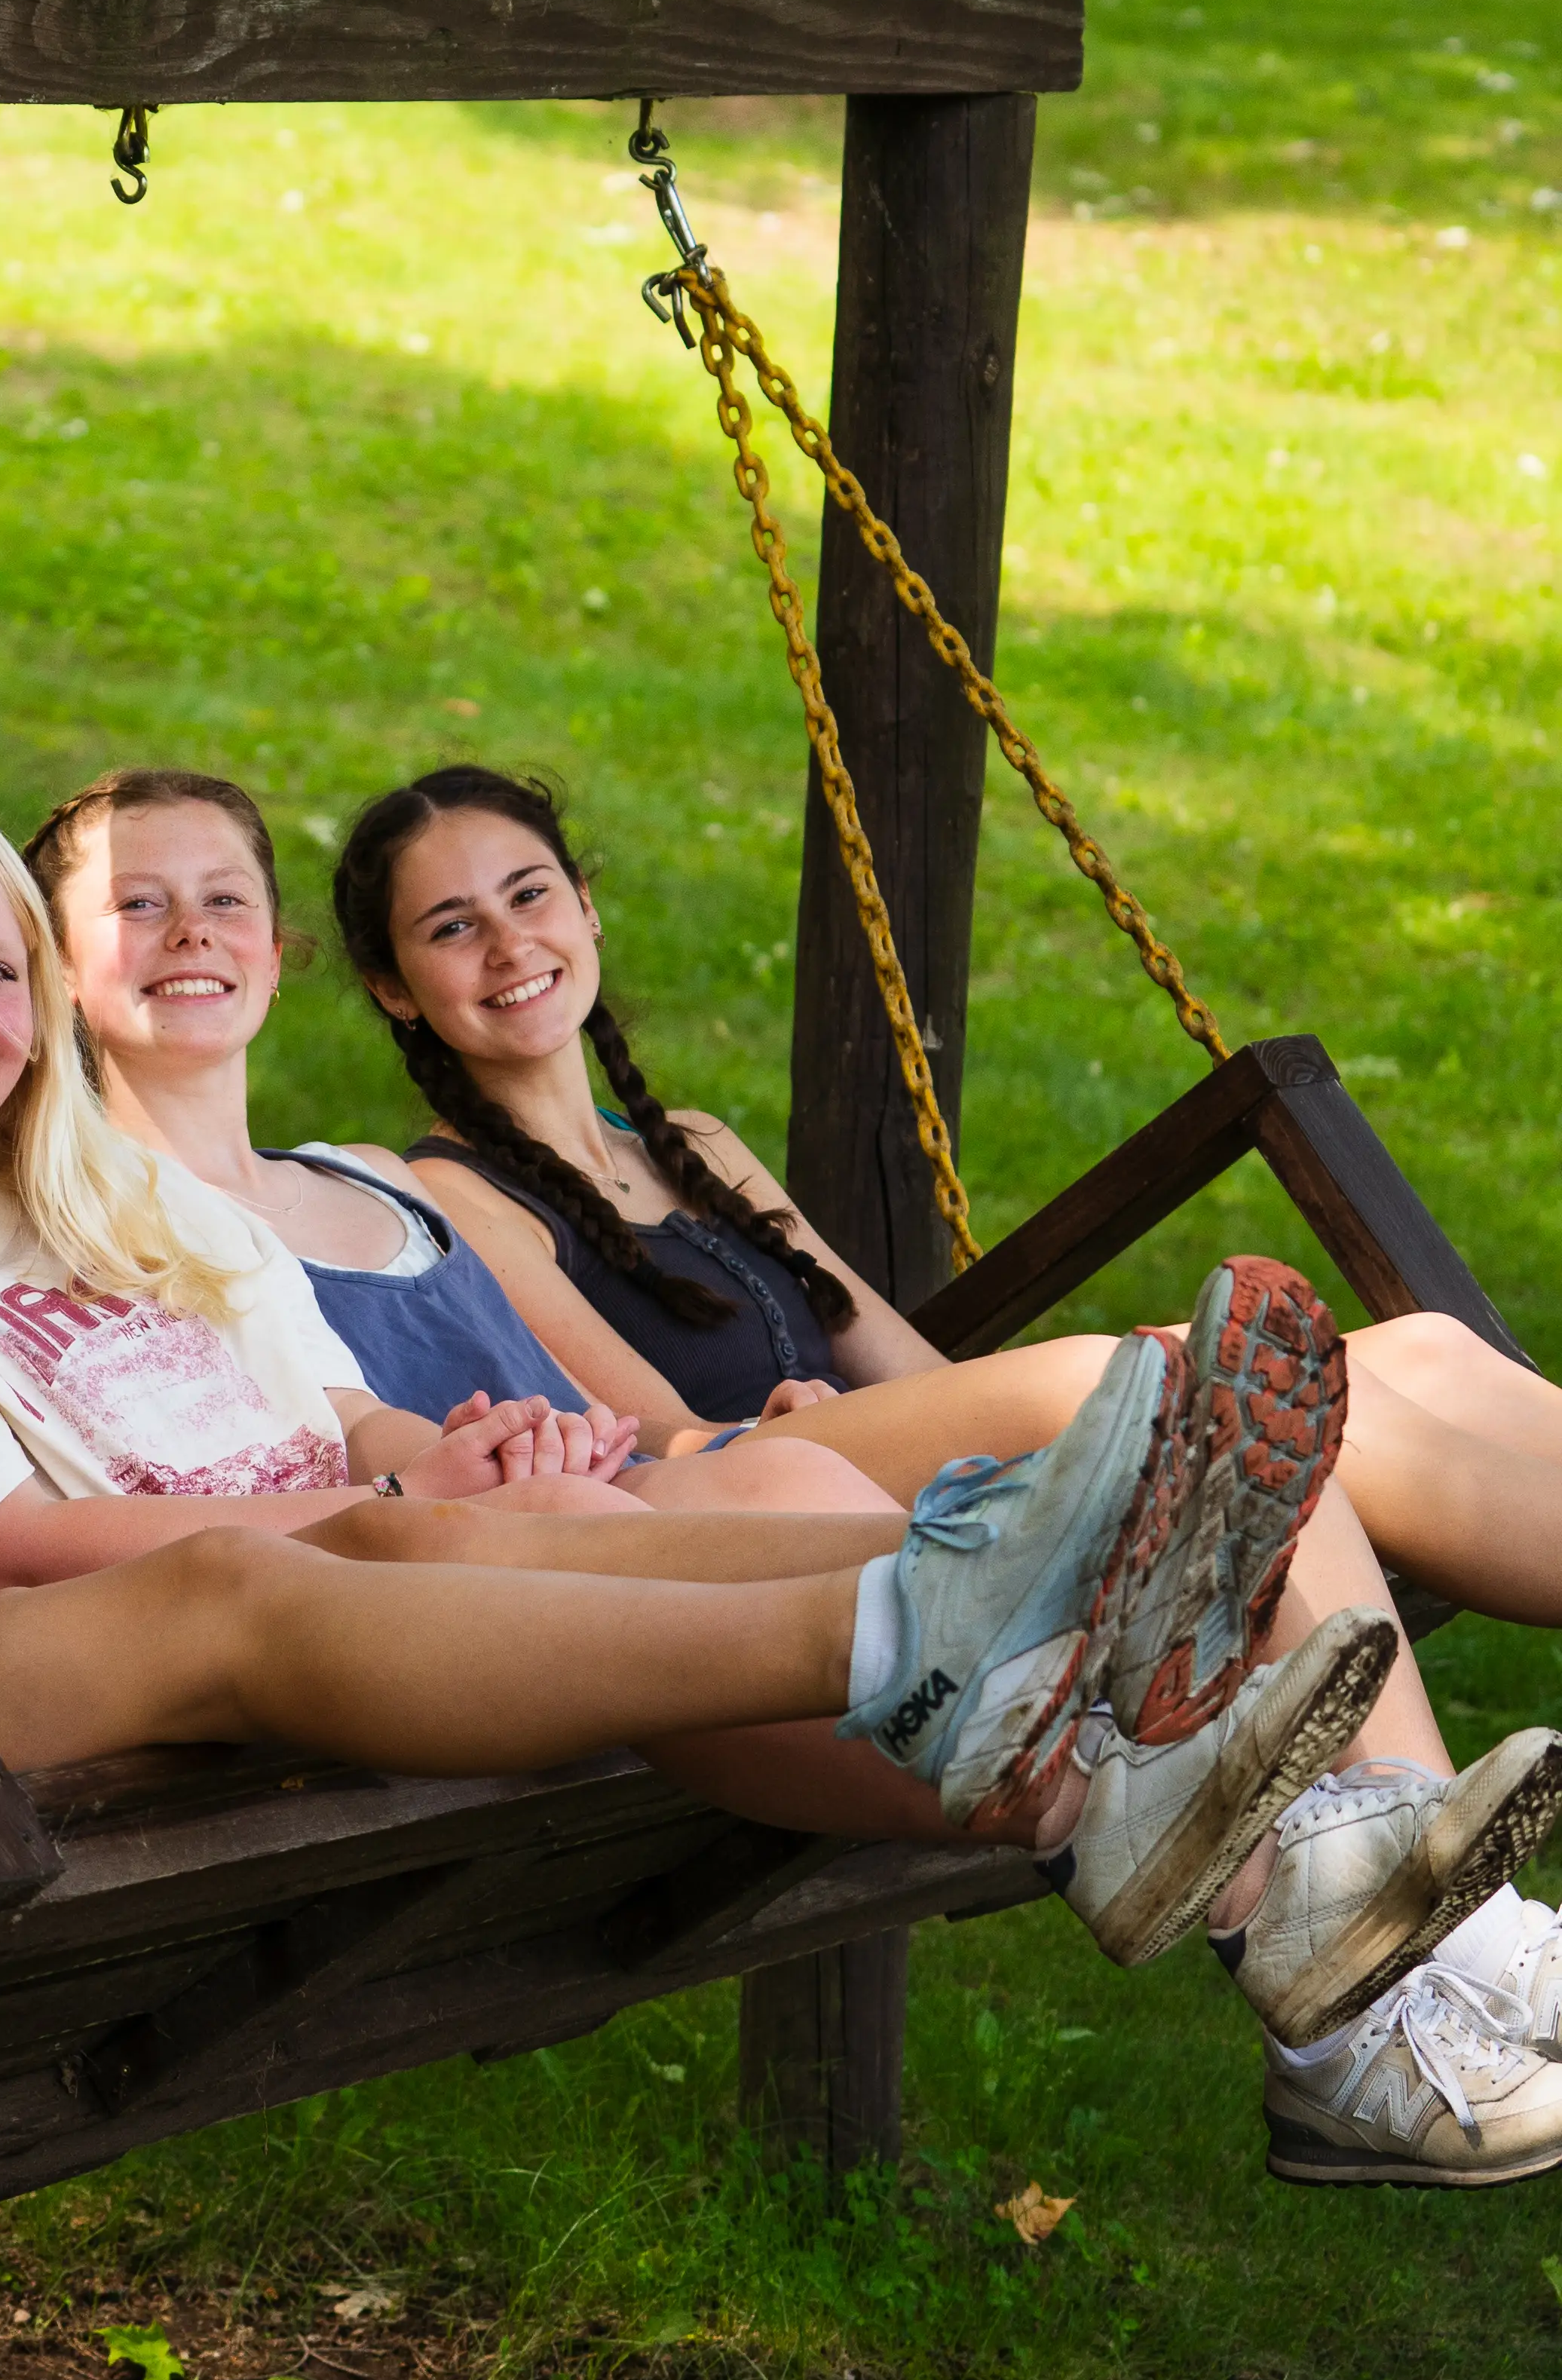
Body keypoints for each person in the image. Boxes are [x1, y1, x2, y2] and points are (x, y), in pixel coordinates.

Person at [0, 779, 1429, 2042]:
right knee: (631, 1521)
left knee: (742, 1501)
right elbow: (3, 1547)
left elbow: (341, 1412)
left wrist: (450, 1457)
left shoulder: (121, 1205)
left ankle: (1157, 1796)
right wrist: (421, 1507)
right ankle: (1054, 1651)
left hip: (372, 1554)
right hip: (174, 1644)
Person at [313, 758, 1562, 2175]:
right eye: (451, 927)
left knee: (1419, 1359)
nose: (509, 943)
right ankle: (1460, 1931)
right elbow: (652, 1432)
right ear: (398, 989)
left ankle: (1429, 1916)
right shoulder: (461, 1190)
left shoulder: (695, 1146)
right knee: (1176, 1380)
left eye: (529, 894)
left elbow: (913, 1373)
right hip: (770, 1503)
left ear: (588, 909)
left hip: (895, 1454)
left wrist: (983, 1423)